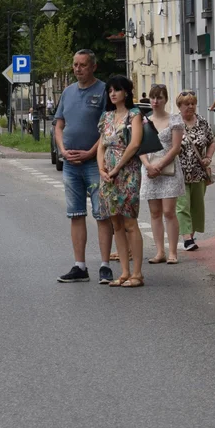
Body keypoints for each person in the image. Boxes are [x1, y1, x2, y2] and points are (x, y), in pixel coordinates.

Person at [54, 50, 115, 283]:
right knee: (76, 214)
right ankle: (79, 266)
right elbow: (59, 125)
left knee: (101, 214)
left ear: (93, 67)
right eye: (75, 65)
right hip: (70, 163)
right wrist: (62, 149)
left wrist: (91, 152)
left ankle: (105, 265)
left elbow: (108, 128)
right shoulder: (68, 92)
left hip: (94, 163)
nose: (78, 69)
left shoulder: (103, 91)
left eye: (83, 65)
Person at [97, 75, 144, 287]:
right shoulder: (106, 117)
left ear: (126, 92)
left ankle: (137, 274)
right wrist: (102, 169)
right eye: (110, 90)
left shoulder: (134, 115)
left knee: (130, 222)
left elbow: (134, 145)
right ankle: (124, 272)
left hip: (128, 173)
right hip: (108, 176)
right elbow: (101, 146)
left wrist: (117, 167)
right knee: (115, 222)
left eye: (117, 89)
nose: (113, 93)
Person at [141, 84, 186, 264]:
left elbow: (175, 148)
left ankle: (173, 252)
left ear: (165, 99)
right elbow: (139, 146)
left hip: (168, 170)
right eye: (153, 97)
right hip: (150, 170)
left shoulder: (174, 120)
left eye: (159, 97)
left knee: (169, 211)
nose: (155, 101)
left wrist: (160, 164)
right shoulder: (144, 121)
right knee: (154, 212)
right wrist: (147, 165)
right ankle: (160, 252)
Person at [176, 91, 215, 252]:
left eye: (193, 103)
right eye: (187, 104)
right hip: (179, 172)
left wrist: (208, 157)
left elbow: (212, 141)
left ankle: (190, 235)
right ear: (179, 106)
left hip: (199, 172)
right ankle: (186, 237)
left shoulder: (202, 122)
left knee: (197, 206)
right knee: (182, 205)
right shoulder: (175, 123)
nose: (190, 106)